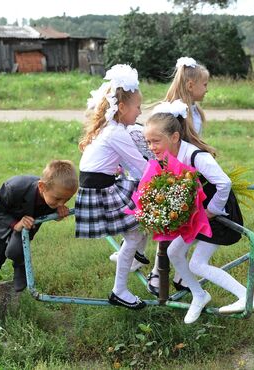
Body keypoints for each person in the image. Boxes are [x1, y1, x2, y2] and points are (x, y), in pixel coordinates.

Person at [143, 101, 254, 324]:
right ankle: (199, 295)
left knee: (197, 264)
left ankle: (249, 297)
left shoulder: (198, 157)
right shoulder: (169, 156)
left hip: (219, 216)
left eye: (155, 141)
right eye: (148, 142)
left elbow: (224, 183)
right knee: (174, 253)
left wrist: (212, 210)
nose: (151, 146)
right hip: (199, 216)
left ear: (175, 137)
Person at [76, 64, 149, 310]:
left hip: (101, 185)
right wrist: (167, 178)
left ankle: (134, 256)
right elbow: (140, 168)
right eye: (138, 107)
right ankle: (119, 289)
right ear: (123, 107)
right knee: (137, 228)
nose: (140, 112)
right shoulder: (116, 133)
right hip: (100, 192)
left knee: (141, 219)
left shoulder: (111, 127)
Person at [146, 56, 211, 296]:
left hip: (189, 171)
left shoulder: (194, 110)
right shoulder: (171, 111)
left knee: (188, 223)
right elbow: (159, 141)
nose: (207, 89)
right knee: (171, 224)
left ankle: (180, 273)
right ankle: (157, 272)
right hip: (173, 174)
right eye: (204, 85)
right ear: (191, 85)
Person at [0, 160, 77, 292]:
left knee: (15, 250)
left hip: (28, 223)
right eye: (58, 199)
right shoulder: (14, 187)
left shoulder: (53, 195)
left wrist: (58, 214)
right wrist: (14, 224)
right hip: (5, 219)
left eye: (66, 200)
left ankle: (20, 268)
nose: (61, 203)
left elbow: (51, 208)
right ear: (42, 187)